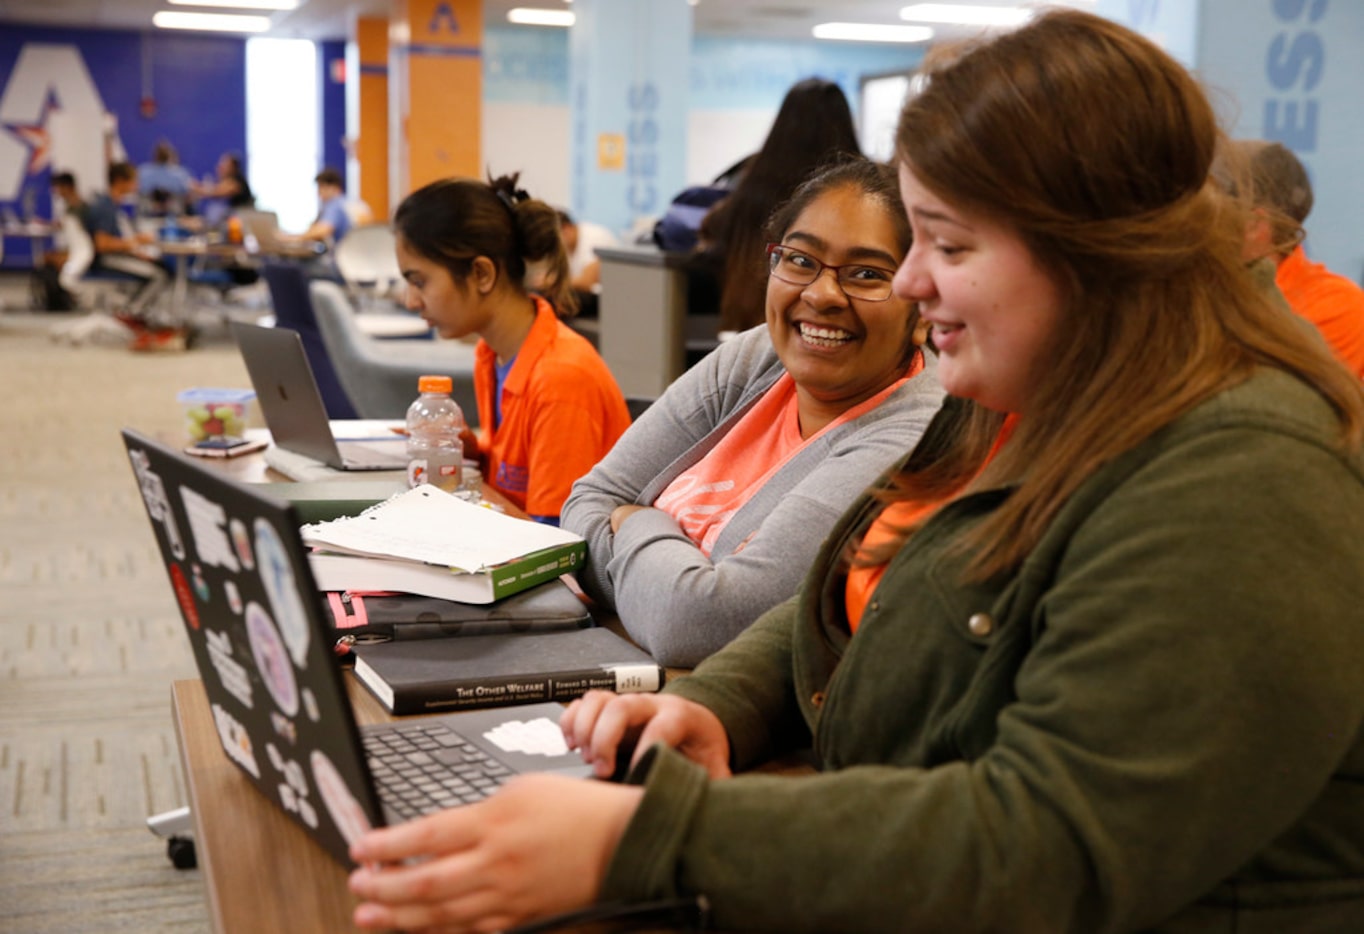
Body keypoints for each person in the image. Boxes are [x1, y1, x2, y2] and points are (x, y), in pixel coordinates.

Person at [345, 11, 1364, 933]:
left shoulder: (1244, 476)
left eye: (946, 245)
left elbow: (1045, 844)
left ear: (1093, 255)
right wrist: (722, 706)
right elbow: (860, 583)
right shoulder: (1023, 389)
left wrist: (658, 840)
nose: (913, 285)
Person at [560, 158, 944, 667]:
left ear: (923, 311)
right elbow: (586, 504)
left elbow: (698, 625)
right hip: (621, 671)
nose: (822, 294)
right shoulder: (757, 357)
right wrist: (667, 582)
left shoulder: (913, 429)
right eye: (800, 260)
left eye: (867, 274)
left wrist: (636, 523)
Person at [393, 173, 632, 524]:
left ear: (482, 274)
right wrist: (471, 454)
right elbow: (513, 475)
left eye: (419, 281)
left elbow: (555, 544)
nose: (411, 301)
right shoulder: (491, 354)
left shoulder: (560, 378)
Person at [693, 76, 862, 332]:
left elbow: (710, 239)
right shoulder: (861, 190)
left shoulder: (749, 187)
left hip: (745, 330)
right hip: (834, 331)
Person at [1231, 138, 1364, 377]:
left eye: (1207, 204)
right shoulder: (1182, 289)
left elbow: (1265, 401)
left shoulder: (1339, 309)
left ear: (1254, 225)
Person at [83, 161, 170, 323]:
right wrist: (135, 242)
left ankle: (134, 312)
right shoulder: (105, 207)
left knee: (159, 266)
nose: (136, 185)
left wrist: (137, 254)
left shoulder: (112, 205)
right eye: (133, 181)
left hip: (116, 256)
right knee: (158, 276)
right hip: (106, 260)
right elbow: (103, 245)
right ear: (119, 181)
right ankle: (130, 316)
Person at [289, 166, 353, 248]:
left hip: (342, 254)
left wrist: (294, 238)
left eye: (321, 188)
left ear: (333, 188)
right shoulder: (350, 202)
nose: (319, 193)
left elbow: (323, 230)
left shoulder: (335, 205)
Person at [137, 140, 194, 217]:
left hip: (149, 215)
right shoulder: (180, 174)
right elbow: (188, 194)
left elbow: (138, 190)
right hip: (174, 215)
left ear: (155, 156)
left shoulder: (143, 172)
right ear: (170, 156)